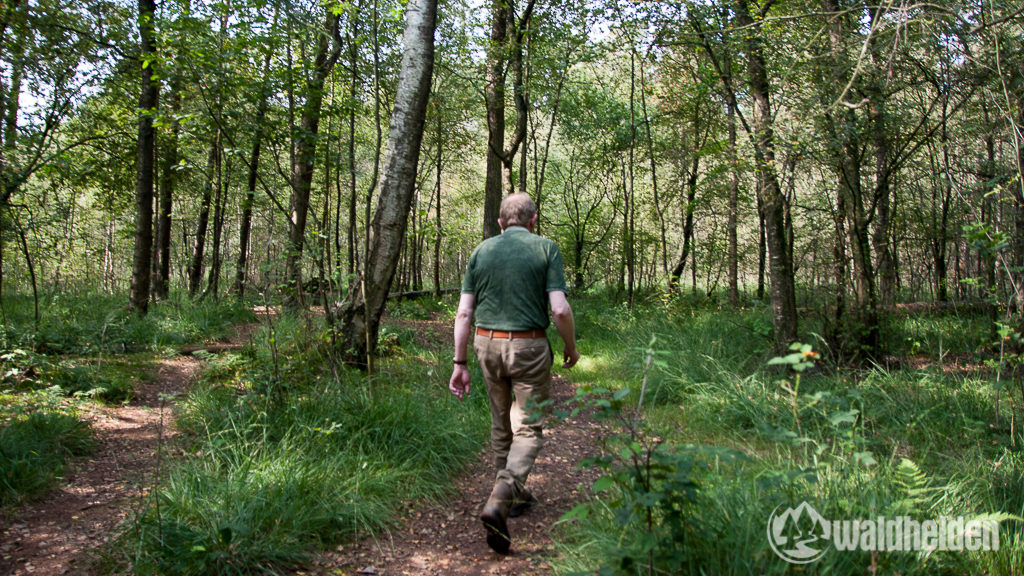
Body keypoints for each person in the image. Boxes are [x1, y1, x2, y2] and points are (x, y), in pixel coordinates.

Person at [448, 192, 580, 555]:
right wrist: (570, 346)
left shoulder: (481, 251)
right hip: (529, 348)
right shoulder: (546, 248)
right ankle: (502, 496)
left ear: (500, 223)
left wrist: (459, 365)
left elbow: (463, 314)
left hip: (486, 344)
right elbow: (560, 310)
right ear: (533, 220)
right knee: (529, 428)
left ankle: (511, 498)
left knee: (500, 423)